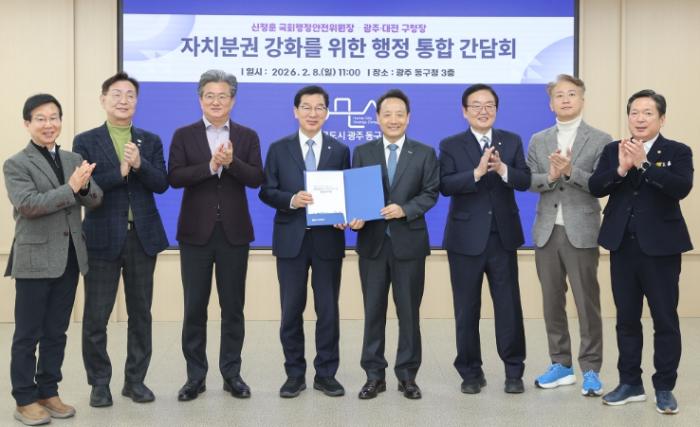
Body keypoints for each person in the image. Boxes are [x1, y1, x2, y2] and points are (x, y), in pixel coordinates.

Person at [590, 89, 692, 414]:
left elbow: (680, 188)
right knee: (626, 319)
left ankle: (664, 387)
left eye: (648, 113)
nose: (640, 118)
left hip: (661, 249)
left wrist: (644, 165)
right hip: (622, 246)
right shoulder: (613, 150)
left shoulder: (678, 151)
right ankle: (630, 383)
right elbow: (595, 187)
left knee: (665, 319)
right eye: (634, 112)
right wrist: (621, 169)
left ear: (662, 118)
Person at [4, 94, 102, 425]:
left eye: (54, 117)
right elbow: (29, 204)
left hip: (70, 257)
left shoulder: (74, 157)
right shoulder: (16, 164)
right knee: (27, 334)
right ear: (27, 123)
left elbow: (95, 198)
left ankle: (48, 391)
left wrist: (84, 187)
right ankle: (24, 399)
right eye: (41, 118)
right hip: (34, 259)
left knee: (56, 332)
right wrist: (71, 188)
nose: (49, 124)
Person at [73, 72, 169, 407]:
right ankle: (100, 384)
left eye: (130, 95)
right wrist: (120, 172)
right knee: (96, 316)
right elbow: (85, 189)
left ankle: (135, 381)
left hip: (142, 238)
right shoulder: (85, 141)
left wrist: (140, 165)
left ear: (137, 102)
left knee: (141, 314)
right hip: (101, 239)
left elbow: (162, 183)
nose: (123, 100)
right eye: (116, 94)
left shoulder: (150, 140)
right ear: (103, 99)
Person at [168, 69, 264, 401]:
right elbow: (174, 177)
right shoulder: (184, 135)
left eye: (223, 96)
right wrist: (210, 167)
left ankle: (231, 374)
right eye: (209, 95)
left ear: (232, 100)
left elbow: (257, 178)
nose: (216, 101)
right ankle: (195, 377)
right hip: (195, 234)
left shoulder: (247, 136)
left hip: (234, 234)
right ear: (200, 99)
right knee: (194, 308)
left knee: (233, 308)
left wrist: (232, 162)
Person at [439, 84, 530, 395]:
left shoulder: (512, 140)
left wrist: (503, 169)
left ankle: (514, 371)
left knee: (509, 307)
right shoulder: (451, 144)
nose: (483, 110)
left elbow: (525, 179)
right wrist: (476, 173)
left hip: (503, 238)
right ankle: (470, 372)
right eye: (476, 105)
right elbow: (445, 185)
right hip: (465, 240)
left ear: (496, 110)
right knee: (467, 309)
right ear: (464, 111)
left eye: (489, 105)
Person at [259, 85, 350, 398]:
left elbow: (347, 192)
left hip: (328, 240)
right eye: (307, 107)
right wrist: (291, 199)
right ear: (295, 111)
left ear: (327, 112)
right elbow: (266, 191)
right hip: (291, 240)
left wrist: (344, 212)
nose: (313, 113)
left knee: (328, 311)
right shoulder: (278, 148)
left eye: (319, 107)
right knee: (291, 311)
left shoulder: (339, 150)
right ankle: (294, 374)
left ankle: (326, 374)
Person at [350, 89, 439, 400]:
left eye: (399, 114)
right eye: (387, 114)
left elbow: (431, 192)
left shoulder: (424, 153)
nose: (393, 119)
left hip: (409, 243)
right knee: (373, 312)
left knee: (409, 313)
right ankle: (374, 376)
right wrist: (355, 216)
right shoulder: (362, 152)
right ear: (377, 118)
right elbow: (356, 193)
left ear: (408, 118)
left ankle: (407, 376)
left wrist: (405, 209)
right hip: (372, 244)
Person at [526, 74, 611, 396]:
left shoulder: (601, 139)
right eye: (559, 95)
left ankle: (590, 369)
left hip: (582, 230)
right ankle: (560, 364)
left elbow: (602, 184)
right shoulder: (538, 139)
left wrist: (570, 171)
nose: (565, 99)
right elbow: (528, 180)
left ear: (582, 100)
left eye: (571, 94)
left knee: (587, 303)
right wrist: (550, 176)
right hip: (547, 231)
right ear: (551, 104)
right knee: (552, 301)